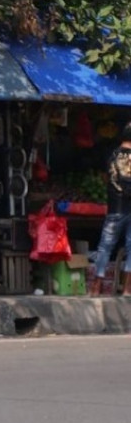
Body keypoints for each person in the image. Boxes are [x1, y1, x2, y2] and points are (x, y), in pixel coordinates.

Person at [92, 121, 131, 297]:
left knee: (105, 247)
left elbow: (108, 178)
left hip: (115, 208)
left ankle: (96, 287)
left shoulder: (113, 155)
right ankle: (127, 289)